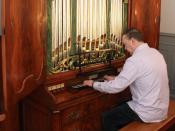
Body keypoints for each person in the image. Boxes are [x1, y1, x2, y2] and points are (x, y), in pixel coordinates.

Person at [83, 28, 169, 131]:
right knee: (120, 106)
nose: (125, 48)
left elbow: (116, 87)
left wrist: (94, 84)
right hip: (161, 110)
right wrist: (117, 78)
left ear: (132, 41)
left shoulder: (134, 60)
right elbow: (142, 76)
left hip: (147, 112)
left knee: (107, 117)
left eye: (125, 44)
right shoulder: (156, 53)